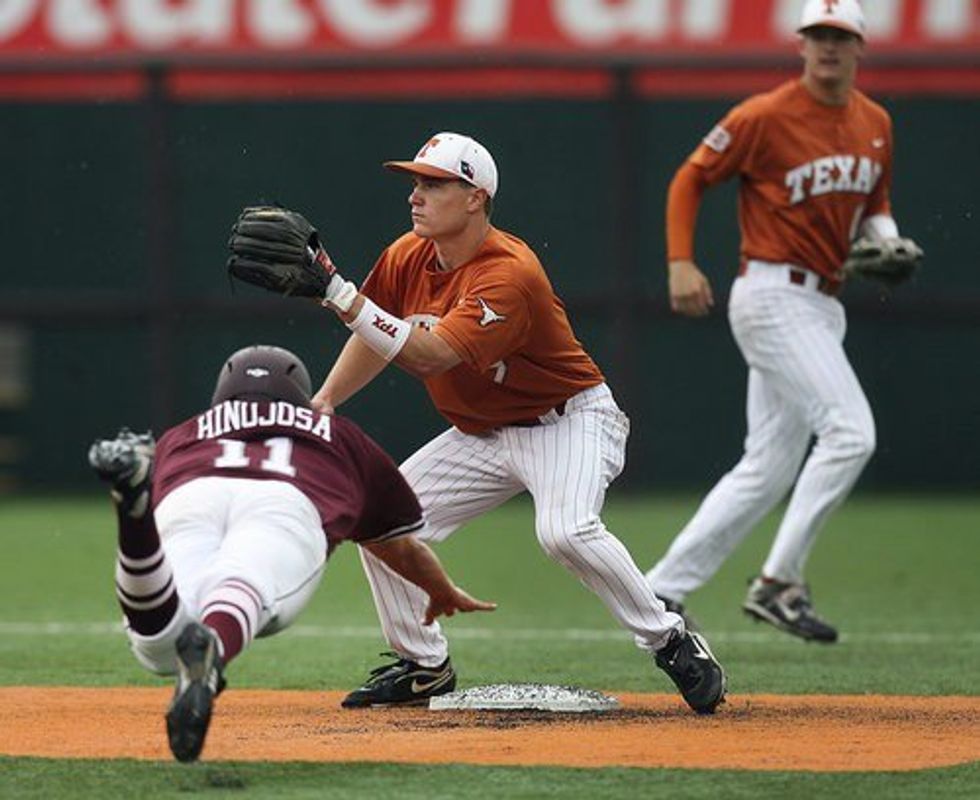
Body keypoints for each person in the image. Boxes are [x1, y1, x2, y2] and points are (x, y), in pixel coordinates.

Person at [306, 131, 727, 714]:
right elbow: (378, 338)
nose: (415, 196)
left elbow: (427, 355)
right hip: (482, 433)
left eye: (433, 184)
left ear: (475, 196)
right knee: (382, 522)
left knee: (565, 531)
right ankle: (424, 666)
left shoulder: (509, 273)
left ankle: (670, 639)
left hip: (568, 421)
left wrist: (337, 293)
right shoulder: (407, 255)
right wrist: (327, 397)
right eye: (414, 182)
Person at [88, 344, 496, 763]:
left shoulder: (185, 432)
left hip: (194, 495)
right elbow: (396, 542)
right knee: (247, 585)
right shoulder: (339, 434)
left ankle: (132, 511)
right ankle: (212, 648)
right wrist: (440, 588)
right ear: (301, 396)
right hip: (286, 503)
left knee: (157, 648)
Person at [646, 0, 909, 643]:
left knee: (766, 466)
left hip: (822, 303)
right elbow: (690, 179)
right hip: (770, 294)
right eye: (816, 35)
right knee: (851, 433)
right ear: (800, 45)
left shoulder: (875, 122)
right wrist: (681, 261)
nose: (827, 46)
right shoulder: (763, 115)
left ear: (858, 47)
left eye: (839, 36)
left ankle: (660, 591)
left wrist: (889, 239)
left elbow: (874, 202)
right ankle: (778, 583)